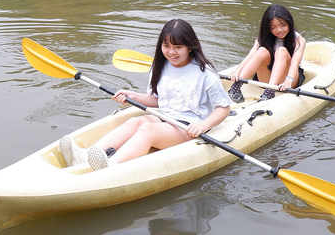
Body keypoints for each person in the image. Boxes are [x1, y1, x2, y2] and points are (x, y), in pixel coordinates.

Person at [60, 19, 232, 171]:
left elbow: (223, 109)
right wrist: (133, 96)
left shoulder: (206, 73)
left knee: (147, 129)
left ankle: (112, 166)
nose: (171, 52)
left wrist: (203, 125)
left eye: (178, 47)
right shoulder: (160, 65)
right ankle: (85, 156)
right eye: (167, 46)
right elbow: (157, 100)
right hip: (165, 116)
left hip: (189, 127)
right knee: (135, 122)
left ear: (190, 48)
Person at [227, 4, 306, 104]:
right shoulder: (262, 38)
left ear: (289, 23)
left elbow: (295, 62)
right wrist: (237, 71)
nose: (279, 30)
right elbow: (251, 55)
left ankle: (269, 93)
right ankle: (235, 88)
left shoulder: (299, 40)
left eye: (283, 25)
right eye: (273, 27)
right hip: (267, 77)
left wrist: (289, 80)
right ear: (268, 28)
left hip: (289, 78)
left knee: (281, 51)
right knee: (262, 51)